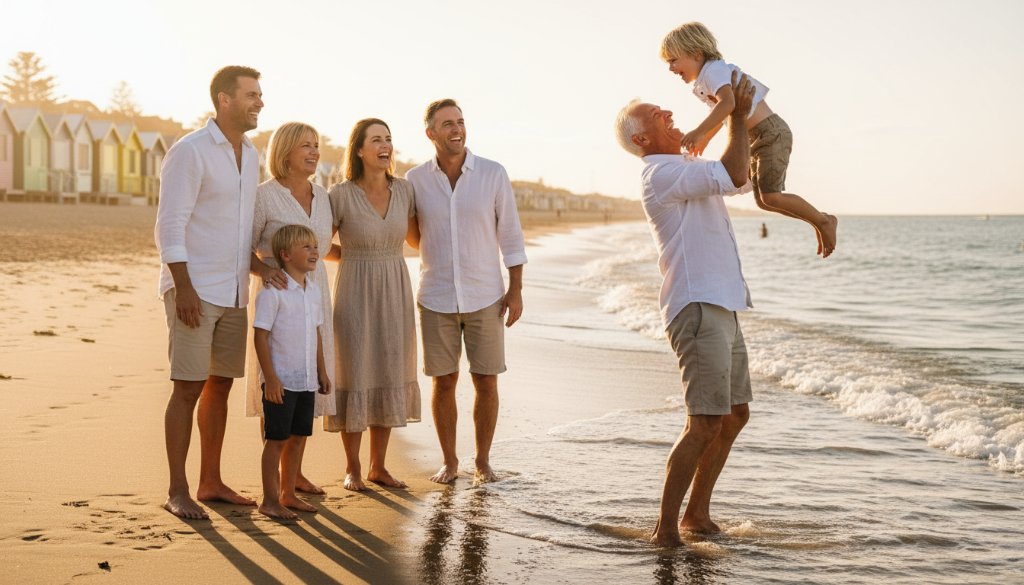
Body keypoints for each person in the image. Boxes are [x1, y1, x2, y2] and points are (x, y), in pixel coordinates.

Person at [614, 71, 756, 547]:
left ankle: (696, 514)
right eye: (658, 114)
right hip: (697, 305)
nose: (670, 112)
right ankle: (665, 529)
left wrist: (729, 115)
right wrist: (732, 110)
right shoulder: (663, 172)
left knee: (734, 415)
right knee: (704, 422)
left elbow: (740, 177)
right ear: (642, 137)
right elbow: (734, 172)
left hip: (721, 303)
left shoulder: (682, 165)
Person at [154, 65, 263, 519]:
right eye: (252, 94)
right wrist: (183, 287)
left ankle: (210, 480)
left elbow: (239, 226)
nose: (260, 102)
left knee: (220, 385)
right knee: (188, 387)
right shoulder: (190, 151)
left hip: (235, 290)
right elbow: (169, 223)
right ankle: (177, 489)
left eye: (260, 95)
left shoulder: (253, 154)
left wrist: (258, 267)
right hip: (193, 290)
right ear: (224, 99)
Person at [406, 99, 527, 485]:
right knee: (443, 381)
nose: (456, 129)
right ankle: (450, 461)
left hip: (485, 294)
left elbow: (510, 234)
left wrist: (516, 289)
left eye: (460, 122)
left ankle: (483, 461)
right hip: (435, 295)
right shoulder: (415, 179)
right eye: (447, 124)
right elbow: (413, 234)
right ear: (430, 133)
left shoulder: (492, 173)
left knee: (486, 379)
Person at [661, 22, 838, 257]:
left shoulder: (713, 71)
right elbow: (722, 114)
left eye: (673, 60)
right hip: (757, 136)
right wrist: (706, 138)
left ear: (696, 54)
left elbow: (729, 104)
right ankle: (818, 221)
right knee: (764, 201)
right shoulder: (705, 80)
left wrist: (700, 132)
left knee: (770, 196)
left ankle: (824, 220)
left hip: (771, 132)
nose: (671, 68)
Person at [324, 118, 421, 491]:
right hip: (354, 289)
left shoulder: (406, 191)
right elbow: (318, 243)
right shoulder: (340, 195)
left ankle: (379, 466)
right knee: (354, 371)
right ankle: (352, 468)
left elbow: (417, 240)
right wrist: (352, 257)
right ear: (360, 149)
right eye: (376, 139)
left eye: (389, 139)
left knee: (387, 370)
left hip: (395, 287)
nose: (385, 145)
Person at [247, 122, 338, 496]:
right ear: (284, 151)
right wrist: (267, 270)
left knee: (308, 385)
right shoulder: (264, 196)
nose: (314, 152)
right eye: (306, 146)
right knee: (279, 387)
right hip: (278, 294)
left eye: (316, 145)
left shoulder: (325, 196)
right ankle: (278, 483)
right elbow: (244, 248)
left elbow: (325, 248)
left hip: (315, 296)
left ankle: (294, 476)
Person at [252, 225, 331, 519]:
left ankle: (288, 494)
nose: (314, 251)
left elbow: (317, 333)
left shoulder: (314, 291)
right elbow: (260, 336)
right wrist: (270, 378)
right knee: (276, 440)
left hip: (307, 379)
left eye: (314, 246)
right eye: (306, 247)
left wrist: (322, 371)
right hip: (281, 381)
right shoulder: (273, 293)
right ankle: (269, 500)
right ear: (285, 255)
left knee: (299, 437)